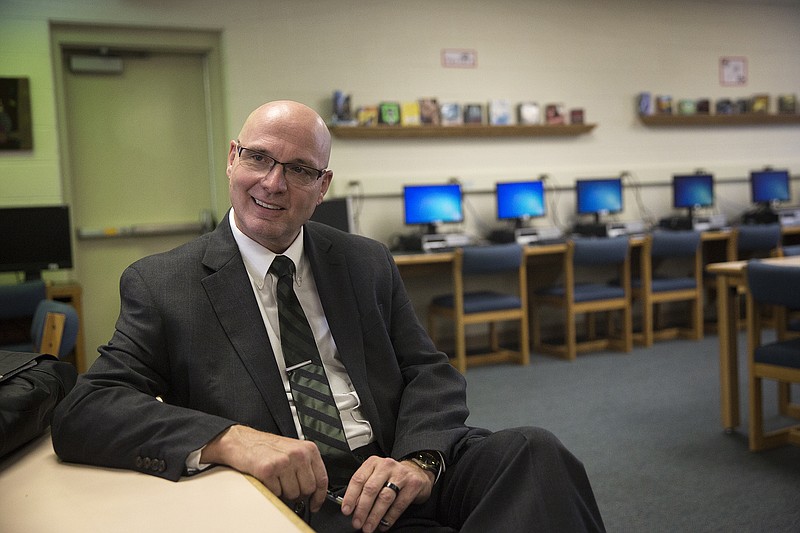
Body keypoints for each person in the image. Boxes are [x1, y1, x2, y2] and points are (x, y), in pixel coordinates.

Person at [52, 100, 605, 532]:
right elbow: (86, 411)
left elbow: (428, 370)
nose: (273, 183)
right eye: (259, 158)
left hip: (391, 469)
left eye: (298, 169)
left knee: (535, 454)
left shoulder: (364, 260)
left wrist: (418, 461)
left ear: (323, 186)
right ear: (232, 158)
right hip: (294, 498)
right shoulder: (164, 283)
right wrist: (230, 439)